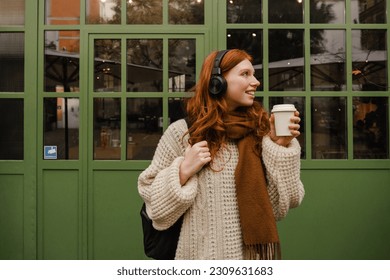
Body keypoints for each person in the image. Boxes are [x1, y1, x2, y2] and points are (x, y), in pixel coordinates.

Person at [138, 49, 305, 260]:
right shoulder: (183, 133)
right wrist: (183, 171)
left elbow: (286, 203)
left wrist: (279, 147)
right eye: (245, 74)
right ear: (217, 81)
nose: (255, 82)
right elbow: (156, 209)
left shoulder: (262, 134)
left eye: (254, 74)